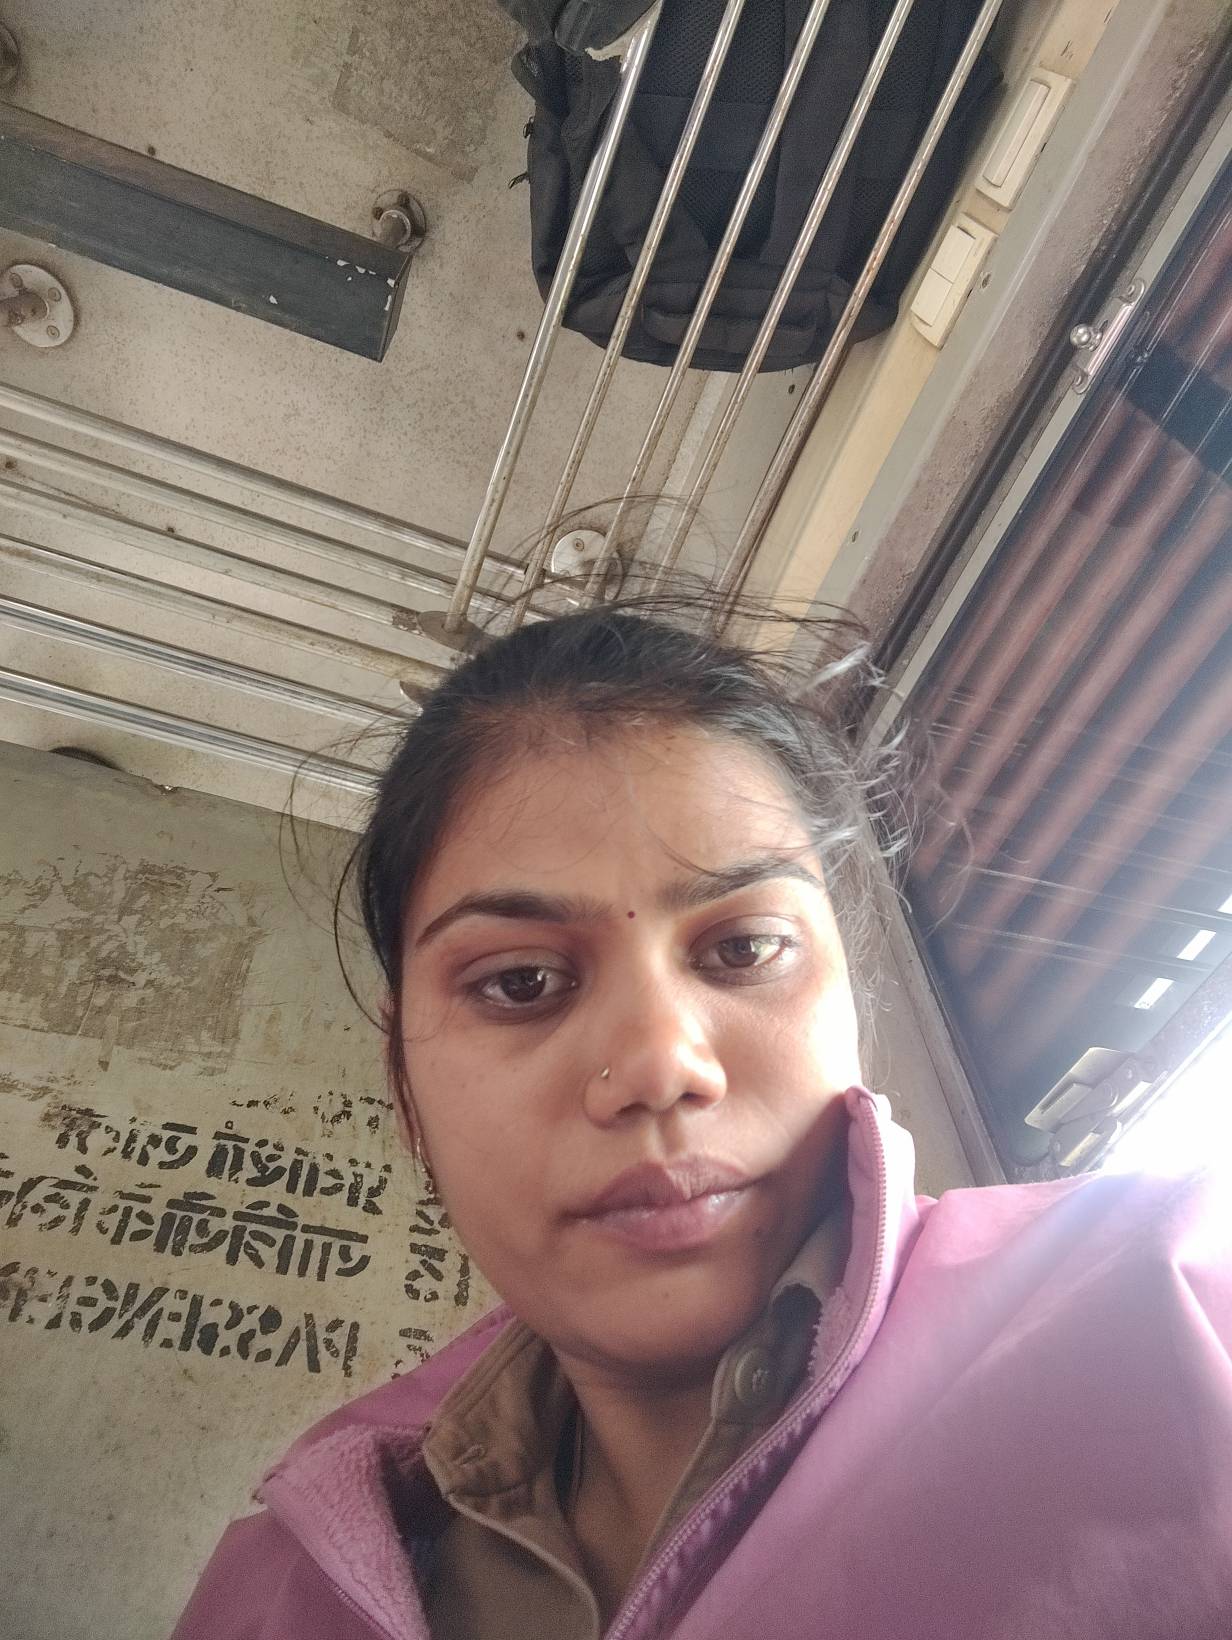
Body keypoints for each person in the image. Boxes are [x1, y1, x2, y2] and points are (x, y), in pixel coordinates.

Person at [172, 593, 1232, 1640]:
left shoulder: (1171, 1314)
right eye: (520, 982)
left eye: (743, 948)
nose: (656, 1067)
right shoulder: (272, 1594)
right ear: (405, 1089)